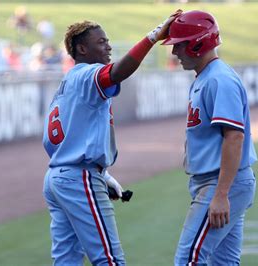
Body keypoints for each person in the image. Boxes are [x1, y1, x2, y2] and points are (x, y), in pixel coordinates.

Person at [42, 10, 182, 265]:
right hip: (78, 177)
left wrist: (102, 174)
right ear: (82, 49)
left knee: (66, 261)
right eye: (101, 42)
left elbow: (51, 143)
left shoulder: (66, 85)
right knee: (110, 260)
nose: (108, 46)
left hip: (57, 178)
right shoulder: (86, 74)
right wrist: (152, 37)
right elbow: (117, 73)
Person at [161, 10, 257, 265]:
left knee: (189, 259)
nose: (174, 53)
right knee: (223, 262)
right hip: (220, 181)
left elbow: (234, 137)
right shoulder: (207, 76)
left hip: (222, 181)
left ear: (197, 43)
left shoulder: (219, 79)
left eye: (179, 45)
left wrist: (221, 193)